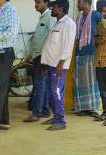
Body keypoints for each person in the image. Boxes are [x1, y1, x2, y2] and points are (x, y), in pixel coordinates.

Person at [41, 0, 76, 130]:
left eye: (54, 7)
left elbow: (68, 46)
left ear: (60, 9)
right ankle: (56, 116)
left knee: (57, 92)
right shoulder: (58, 23)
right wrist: (45, 64)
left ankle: (61, 121)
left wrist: (61, 64)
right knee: (52, 92)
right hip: (51, 64)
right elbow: (52, 45)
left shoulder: (68, 24)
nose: (51, 9)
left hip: (59, 66)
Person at [24, 0, 56, 122]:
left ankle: (36, 113)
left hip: (43, 56)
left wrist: (45, 57)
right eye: (35, 2)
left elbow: (51, 38)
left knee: (39, 84)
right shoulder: (42, 17)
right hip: (38, 56)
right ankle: (45, 110)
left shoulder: (50, 17)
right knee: (42, 84)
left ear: (46, 3)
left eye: (39, 2)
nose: (36, 5)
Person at [0, 0, 19, 131]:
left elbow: (11, 33)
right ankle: (4, 121)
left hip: (4, 53)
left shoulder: (10, 10)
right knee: (1, 88)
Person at [74, 0, 103, 117]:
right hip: (80, 53)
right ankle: (83, 107)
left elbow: (103, 30)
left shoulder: (96, 15)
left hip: (92, 53)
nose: (77, 4)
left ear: (86, 2)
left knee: (93, 80)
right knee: (81, 81)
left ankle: (95, 107)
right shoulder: (78, 19)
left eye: (79, 2)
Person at [96, 0, 106, 125]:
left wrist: (99, 38)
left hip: (102, 60)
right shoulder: (101, 23)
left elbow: (99, 40)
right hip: (99, 60)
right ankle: (104, 112)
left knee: (103, 88)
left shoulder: (102, 24)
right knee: (102, 89)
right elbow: (97, 40)